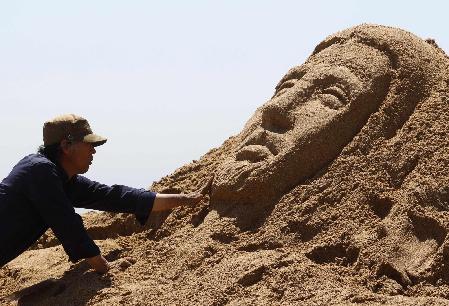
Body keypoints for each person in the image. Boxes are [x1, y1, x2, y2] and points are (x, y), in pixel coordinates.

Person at [0, 114, 204, 274]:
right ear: (66, 145)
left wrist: (185, 199)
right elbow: (66, 223)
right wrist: (103, 266)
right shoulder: (39, 171)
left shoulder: (63, 180)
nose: (94, 152)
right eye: (89, 144)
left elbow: (114, 196)